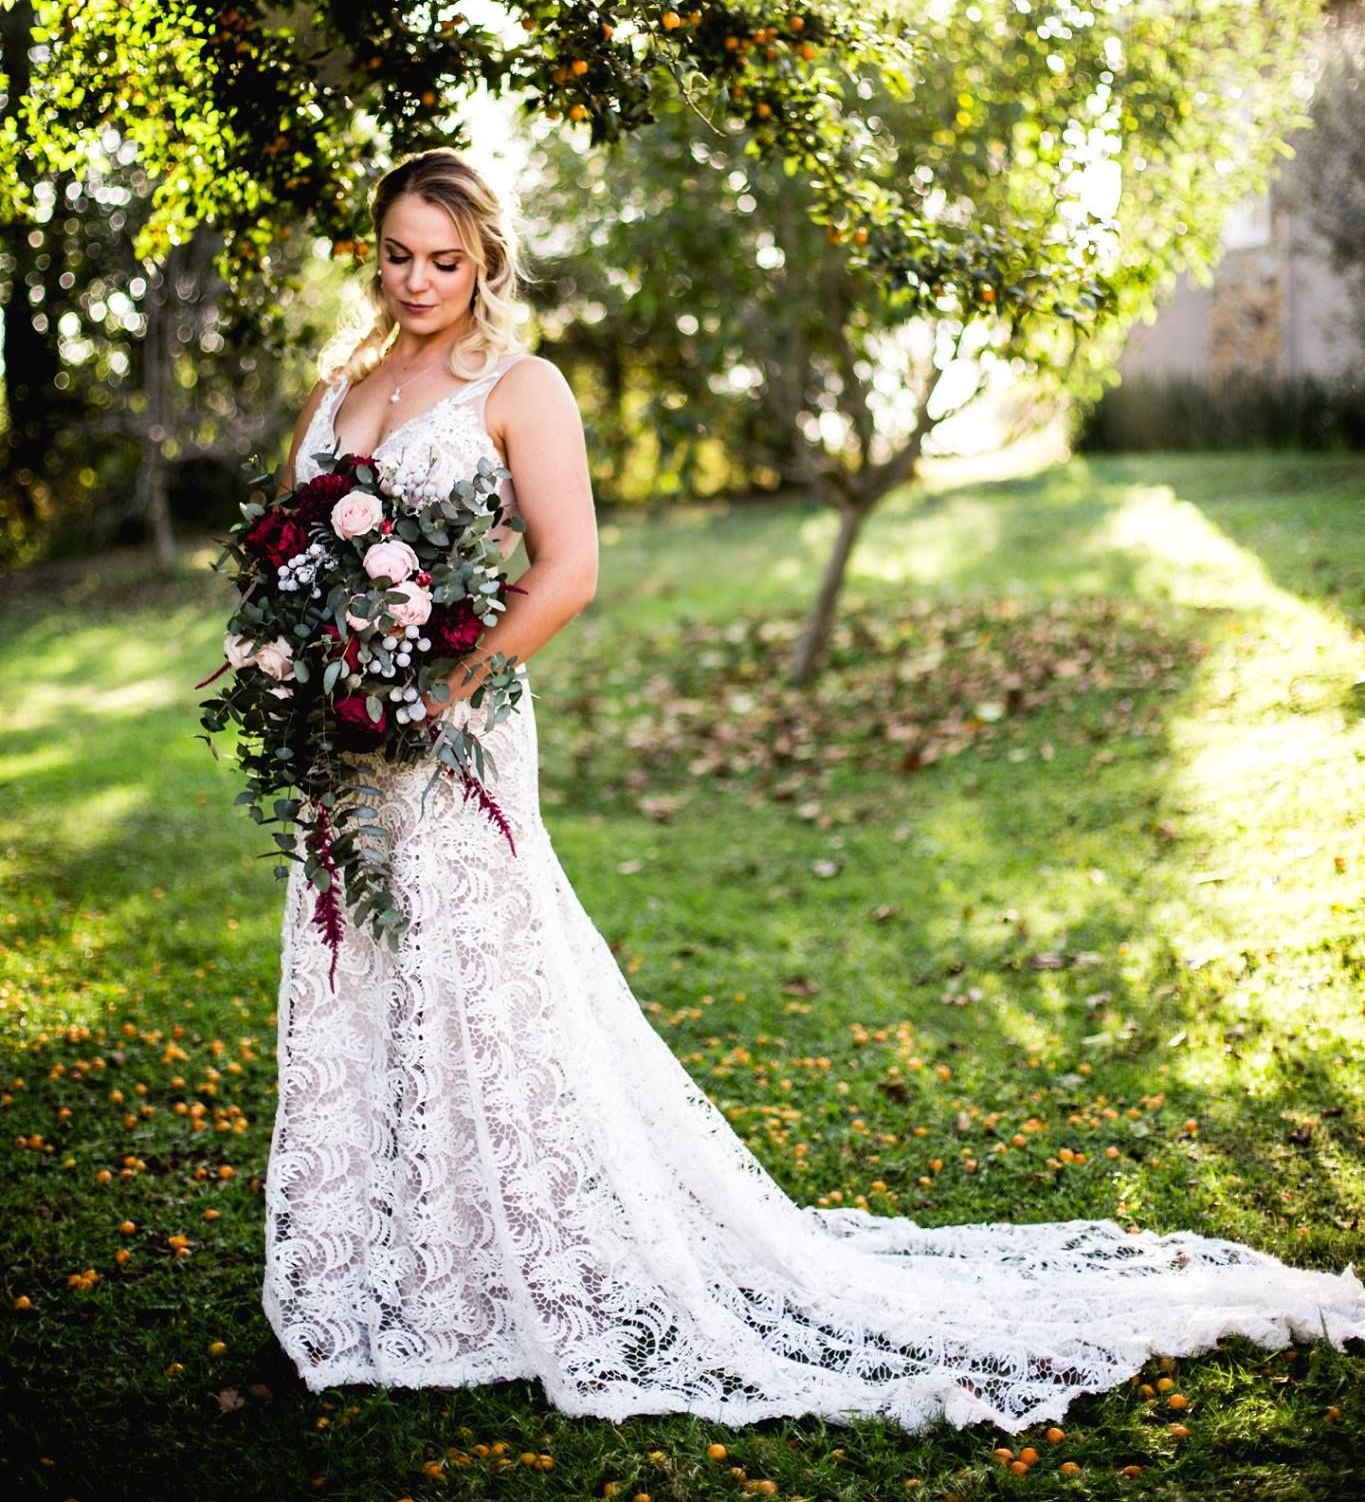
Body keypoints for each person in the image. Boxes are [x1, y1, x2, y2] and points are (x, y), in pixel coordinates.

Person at [261, 145, 1365, 1431]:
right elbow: (293, 553)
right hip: (342, 748)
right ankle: (396, 1257)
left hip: (456, 732)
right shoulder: (341, 384)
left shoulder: (522, 385)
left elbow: (566, 571)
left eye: (443, 257)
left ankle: (509, 1253)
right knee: (362, 971)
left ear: (487, 257)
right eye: (396, 253)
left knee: (474, 969)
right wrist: (305, 668)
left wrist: (440, 685)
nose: (416, 279)